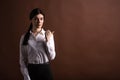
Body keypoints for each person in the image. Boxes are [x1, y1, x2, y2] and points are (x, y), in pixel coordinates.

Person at [19, 8, 56, 80]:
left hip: (45, 70)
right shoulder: (24, 37)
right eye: (36, 19)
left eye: (41, 19)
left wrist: (47, 41)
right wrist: (26, 76)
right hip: (31, 70)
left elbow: (52, 57)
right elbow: (22, 60)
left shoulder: (49, 35)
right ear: (31, 20)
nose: (39, 21)